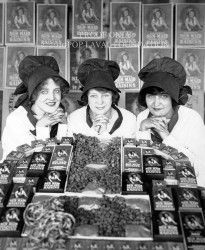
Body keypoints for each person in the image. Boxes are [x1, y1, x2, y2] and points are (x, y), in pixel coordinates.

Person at [136, 57, 205, 187]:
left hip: (188, 190)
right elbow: (137, 164)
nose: (156, 103)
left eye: (163, 96)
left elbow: (200, 167)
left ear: (173, 97)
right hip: (152, 187)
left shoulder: (191, 118)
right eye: (151, 96)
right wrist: (143, 130)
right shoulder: (142, 117)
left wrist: (166, 136)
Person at [1, 56, 69, 160]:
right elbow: (38, 164)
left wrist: (63, 126)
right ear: (33, 95)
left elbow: (61, 160)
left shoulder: (58, 114)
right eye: (44, 92)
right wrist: (41, 127)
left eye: (56, 91)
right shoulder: (17, 120)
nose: (52, 97)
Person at [67, 58, 137, 138]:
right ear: (87, 97)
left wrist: (105, 134)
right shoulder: (74, 119)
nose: (100, 102)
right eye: (93, 96)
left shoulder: (129, 119)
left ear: (113, 96)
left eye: (105, 95)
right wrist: (93, 132)